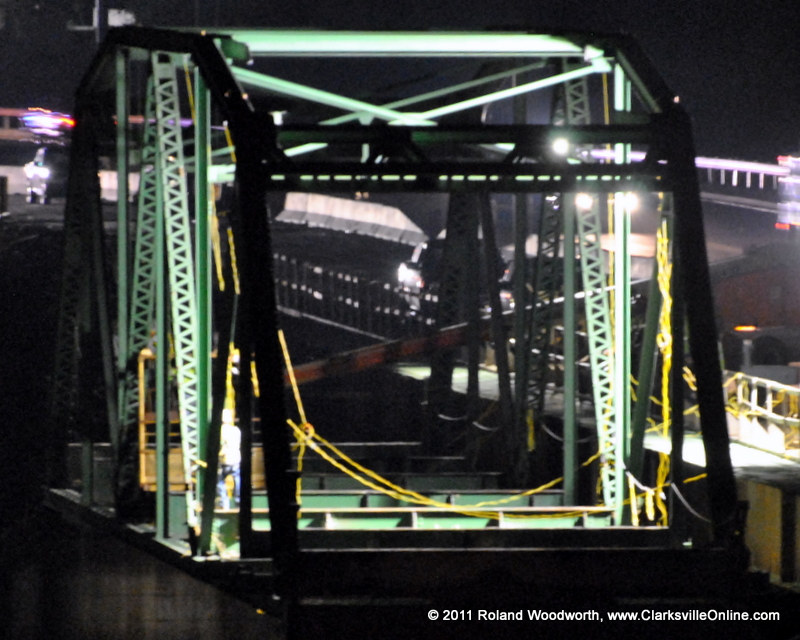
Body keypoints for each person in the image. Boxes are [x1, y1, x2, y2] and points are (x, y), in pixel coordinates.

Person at [217, 409, 241, 509]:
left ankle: (224, 504)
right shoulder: (236, 430)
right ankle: (239, 502)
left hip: (224, 460)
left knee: (220, 482)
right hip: (236, 459)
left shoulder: (220, 431)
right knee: (237, 479)